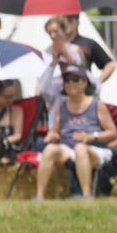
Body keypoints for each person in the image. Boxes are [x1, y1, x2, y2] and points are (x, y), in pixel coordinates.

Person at [35, 64, 116, 200]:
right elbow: (56, 131)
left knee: (80, 149)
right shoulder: (61, 106)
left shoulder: (96, 104)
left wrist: (92, 136)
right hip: (68, 148)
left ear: (85, 83)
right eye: (67, 80)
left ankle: (86, 195)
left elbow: (113, 133)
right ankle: (39, 196)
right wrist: (52, 135)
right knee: (49, 150)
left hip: (94, 149)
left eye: (75, 79)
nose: (70, 83)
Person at [38, 16, 86, 115]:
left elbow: (82, 74)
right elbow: (42, 84)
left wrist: (67, 57)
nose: (53, 35)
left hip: (75, 100)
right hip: (54, 99)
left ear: (64, 30)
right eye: (49, 32)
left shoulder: (75, 50)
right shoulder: (46, 53)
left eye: (56, 31)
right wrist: (54, 62)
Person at [65, 14, 115, 83]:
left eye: (69, 20)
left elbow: (110, 65)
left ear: (77, 22)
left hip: (83, 89)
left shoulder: (87, 43)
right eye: (63, 22)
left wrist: (96, 83)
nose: (66, 24)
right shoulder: (57, 45)